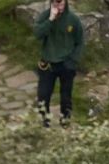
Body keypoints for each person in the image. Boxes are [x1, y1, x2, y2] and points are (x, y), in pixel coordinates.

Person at [33, 0, 85, 128]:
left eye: (61, 4)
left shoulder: (73, 19)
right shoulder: (45, 16)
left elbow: (80, 42)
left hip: (66, 65)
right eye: (56, 4)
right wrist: (50, 19)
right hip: (48, 63)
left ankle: (65, 121)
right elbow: (37, 34)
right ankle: (45, 121)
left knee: (66, 97)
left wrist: (72, 61)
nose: (59, 7)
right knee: (43, 96)